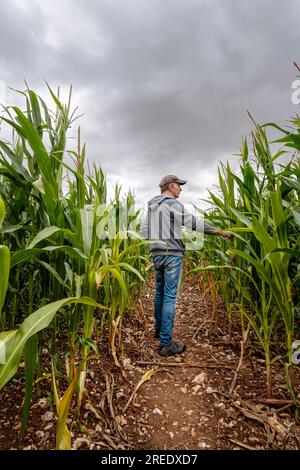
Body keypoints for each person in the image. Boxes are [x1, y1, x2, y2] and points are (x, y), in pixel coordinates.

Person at [140, 174, 233, 357]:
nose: (181, 189)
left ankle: (159, 331)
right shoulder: (173, 203)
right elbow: (192, 223)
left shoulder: (152, 206)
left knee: (159, 292)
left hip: (156, 254)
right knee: (169, 297)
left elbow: (143, 232)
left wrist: (156, 243)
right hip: (172, 255)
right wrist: (219, 232)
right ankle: (166, 344)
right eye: (179, 186)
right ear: (171, 187)